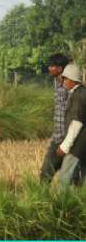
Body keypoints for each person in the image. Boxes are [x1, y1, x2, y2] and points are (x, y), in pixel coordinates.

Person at [41, 54, 71, 182]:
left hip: (67, 136)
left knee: (69, 176)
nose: (49, 68)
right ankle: (43, 199)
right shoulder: (56, 83)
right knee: (46, 173)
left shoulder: (69, 85)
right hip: (57, 136)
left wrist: (67, 140)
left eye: (51, 66)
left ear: (59, 68)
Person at [55, 63, 85, 188]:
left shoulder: (78, 96)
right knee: (82, 179)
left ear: (72, 80)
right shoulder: (82, 92)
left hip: (78, 144)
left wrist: (65, 146)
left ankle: (64, 205)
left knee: (64, 178)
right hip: (84, 144)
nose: (63, 81)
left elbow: (76, 123)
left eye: (65, 78)